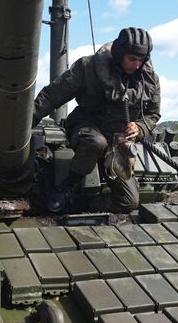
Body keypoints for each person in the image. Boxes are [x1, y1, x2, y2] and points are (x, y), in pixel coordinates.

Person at [32, 27, 161, 213]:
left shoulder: (149, 81)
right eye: (132, 59)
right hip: (86, 127)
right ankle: (70, 184)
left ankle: (82, 205)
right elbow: (53, 95)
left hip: (118, 142)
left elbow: (153, 114)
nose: (137, 65)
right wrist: (25, 123)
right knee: (96, 142)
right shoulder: (88, 67)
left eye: (141, 60)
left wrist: (140, 127)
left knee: (128, 202)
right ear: (119, 54)